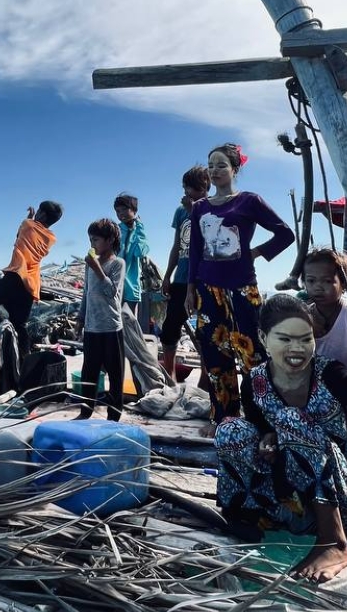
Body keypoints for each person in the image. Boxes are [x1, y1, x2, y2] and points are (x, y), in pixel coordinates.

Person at [215, 293, 347, 582]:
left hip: (346, 501)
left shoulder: (329, 373)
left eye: (305, 339)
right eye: (285, 339)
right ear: (263, 338)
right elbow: (258, 421)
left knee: (291, 418)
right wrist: (268, 437)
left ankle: (334, 541)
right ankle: (245, 518)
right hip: (289, 500)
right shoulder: (255, 381)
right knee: (231, 430)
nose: (298, 349)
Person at [184, 143, 295, 423]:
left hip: (243, 288)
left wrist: (256, 253)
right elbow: (196, 252)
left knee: (253, 356)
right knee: (215, 359)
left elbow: (285, 234)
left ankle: (262, 420)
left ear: (235, 169)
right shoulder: (199, 208)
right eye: (211, 166)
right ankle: (224, 419)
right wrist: (190, 290)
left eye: (221, 165)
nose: (215, 171)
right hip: (207, 290)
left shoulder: (249, 201)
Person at [0, 201, 63, 352]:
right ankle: (25, 359)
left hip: (14, 277)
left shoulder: (27, 224)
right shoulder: (51, 238)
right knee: (20, 325)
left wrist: (30, 218)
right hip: (30, 287)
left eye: (40, 211)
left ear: (42, 214)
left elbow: (18, 237)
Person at [160, 165, 210, 382]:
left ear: (205, 188)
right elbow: (177, 246)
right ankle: (169, 376)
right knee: (170, 328)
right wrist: (167, 274)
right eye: (185, 188)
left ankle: (206, 379)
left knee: (207, 332)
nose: (187, 193)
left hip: (205, 279)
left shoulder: (212, 208)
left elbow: (211, 240)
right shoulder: (180, 212)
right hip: (181, 278)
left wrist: (194, 210)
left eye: (192, 189)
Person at [75, 218, 126, 420]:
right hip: (92, 328)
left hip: (111, 328)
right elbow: (86, 293)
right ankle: (85, 411)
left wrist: (96, 267)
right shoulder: (89, 266)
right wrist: (80, 319)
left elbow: (112, 292)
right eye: (90, 240)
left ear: (110, 239)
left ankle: (114, 416)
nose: (92, 245)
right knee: (89, 373)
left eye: (95, 240)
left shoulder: (118, 264)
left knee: (115, 374)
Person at [113, 193, 149, 317]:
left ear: (134, 210)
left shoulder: (139, 231)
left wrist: (139, 228)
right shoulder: (115, 231)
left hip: (131, 286)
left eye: (124, 209)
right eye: (118, 211)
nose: (120, 213)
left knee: (129, 322)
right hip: (114, 285)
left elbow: (140, 252)